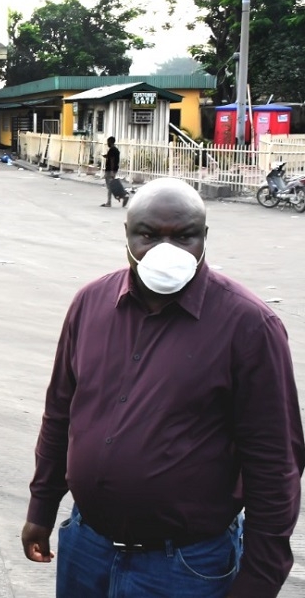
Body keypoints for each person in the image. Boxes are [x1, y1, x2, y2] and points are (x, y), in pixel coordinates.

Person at [21, 178, 304, 598]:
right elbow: (60, 414)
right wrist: (42, 508)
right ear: (128, 235)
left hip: (186, 567)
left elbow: (274, 462)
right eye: (149, 235)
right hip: (87, 547)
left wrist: (259, 579)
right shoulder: (90, 304)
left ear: (204, 238)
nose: (166, 251)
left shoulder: (248, 326)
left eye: (184, 236)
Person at [101, 136, 123, 207]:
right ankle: (122, 195)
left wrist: (112, 172)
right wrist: (106, 156)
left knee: (110, 187)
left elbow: (112, 160)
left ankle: (109, 202)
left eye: (108, 142)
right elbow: (111, 158)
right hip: (113, 169)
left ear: (111, 142)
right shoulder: (115, 150)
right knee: (111, 186)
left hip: (110, 170)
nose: (107, 143)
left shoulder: (112, 150)